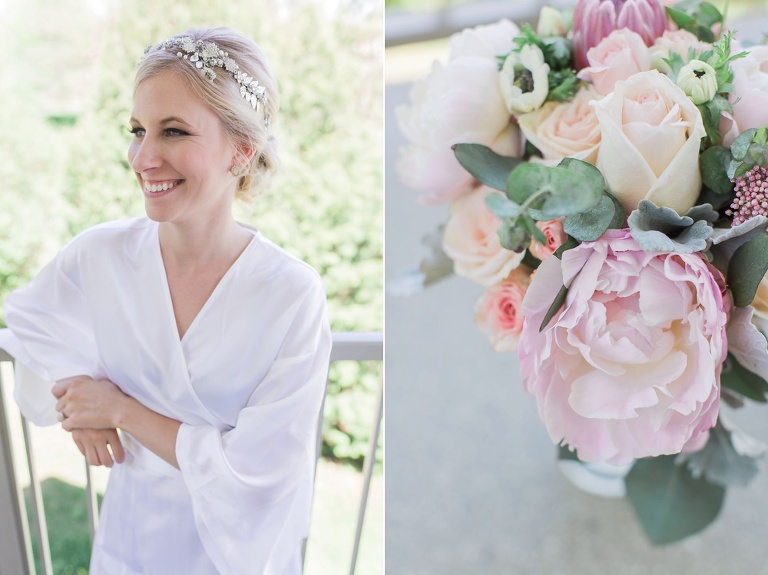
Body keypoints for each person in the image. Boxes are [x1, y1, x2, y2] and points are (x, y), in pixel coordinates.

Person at [0, 26, 331, 575]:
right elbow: (29, 322)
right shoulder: (100, 255)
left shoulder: (291, 294)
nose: (143, 157)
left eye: (173, 132)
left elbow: (261, 479)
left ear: (242, 149)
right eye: (137, 130)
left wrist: (121, 410)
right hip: (130, 546)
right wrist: (78, 398)